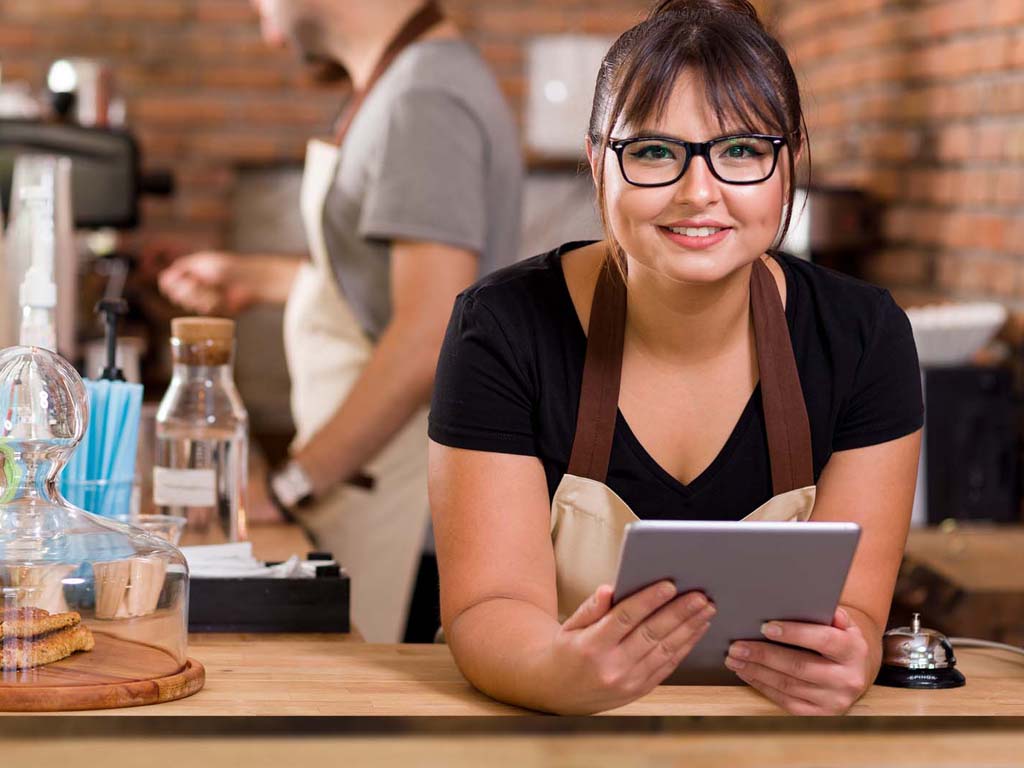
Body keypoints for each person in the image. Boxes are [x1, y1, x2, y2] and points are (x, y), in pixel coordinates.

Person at [427, 0, 923, 715]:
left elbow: (856, 614)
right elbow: (489, 605)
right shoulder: (502, 328)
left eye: (742, 151)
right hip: (546, 738)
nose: (699, 192)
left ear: (787, 165)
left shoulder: (864, 337)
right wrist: (554, 671)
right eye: (655, 151)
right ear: (600, 162)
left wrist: (854, 657)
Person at [159, 0, 523, 643]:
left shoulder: (424, 98)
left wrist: (292, 483)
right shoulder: (400, 85)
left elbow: (427, 333)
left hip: (409, 505)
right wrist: (256, 276)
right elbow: (385, 293)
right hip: (372, 483)